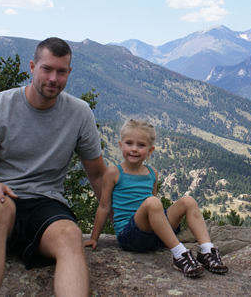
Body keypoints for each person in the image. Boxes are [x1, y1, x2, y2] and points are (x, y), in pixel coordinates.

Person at [0, 37, 106, 296]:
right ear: (32, 66)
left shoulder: (79, 113)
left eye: (61, 71)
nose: (53, 78)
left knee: (70, 236)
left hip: (44, 201)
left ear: (69, 73)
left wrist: (127, 221)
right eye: (46, 69)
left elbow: (97, 175)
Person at [84, 118, 228, 277]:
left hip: (153, 236)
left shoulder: (152, 173)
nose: (134, 149)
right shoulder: (113, 172)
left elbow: (155, 210)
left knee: (188, 201)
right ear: (120, 145)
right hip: (130, 236)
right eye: (129, 143)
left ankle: (207, 251)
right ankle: (179, 254)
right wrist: (93, 238)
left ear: (150, 150)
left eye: (141, 145)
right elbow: (104, 207)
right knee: (153, 202)